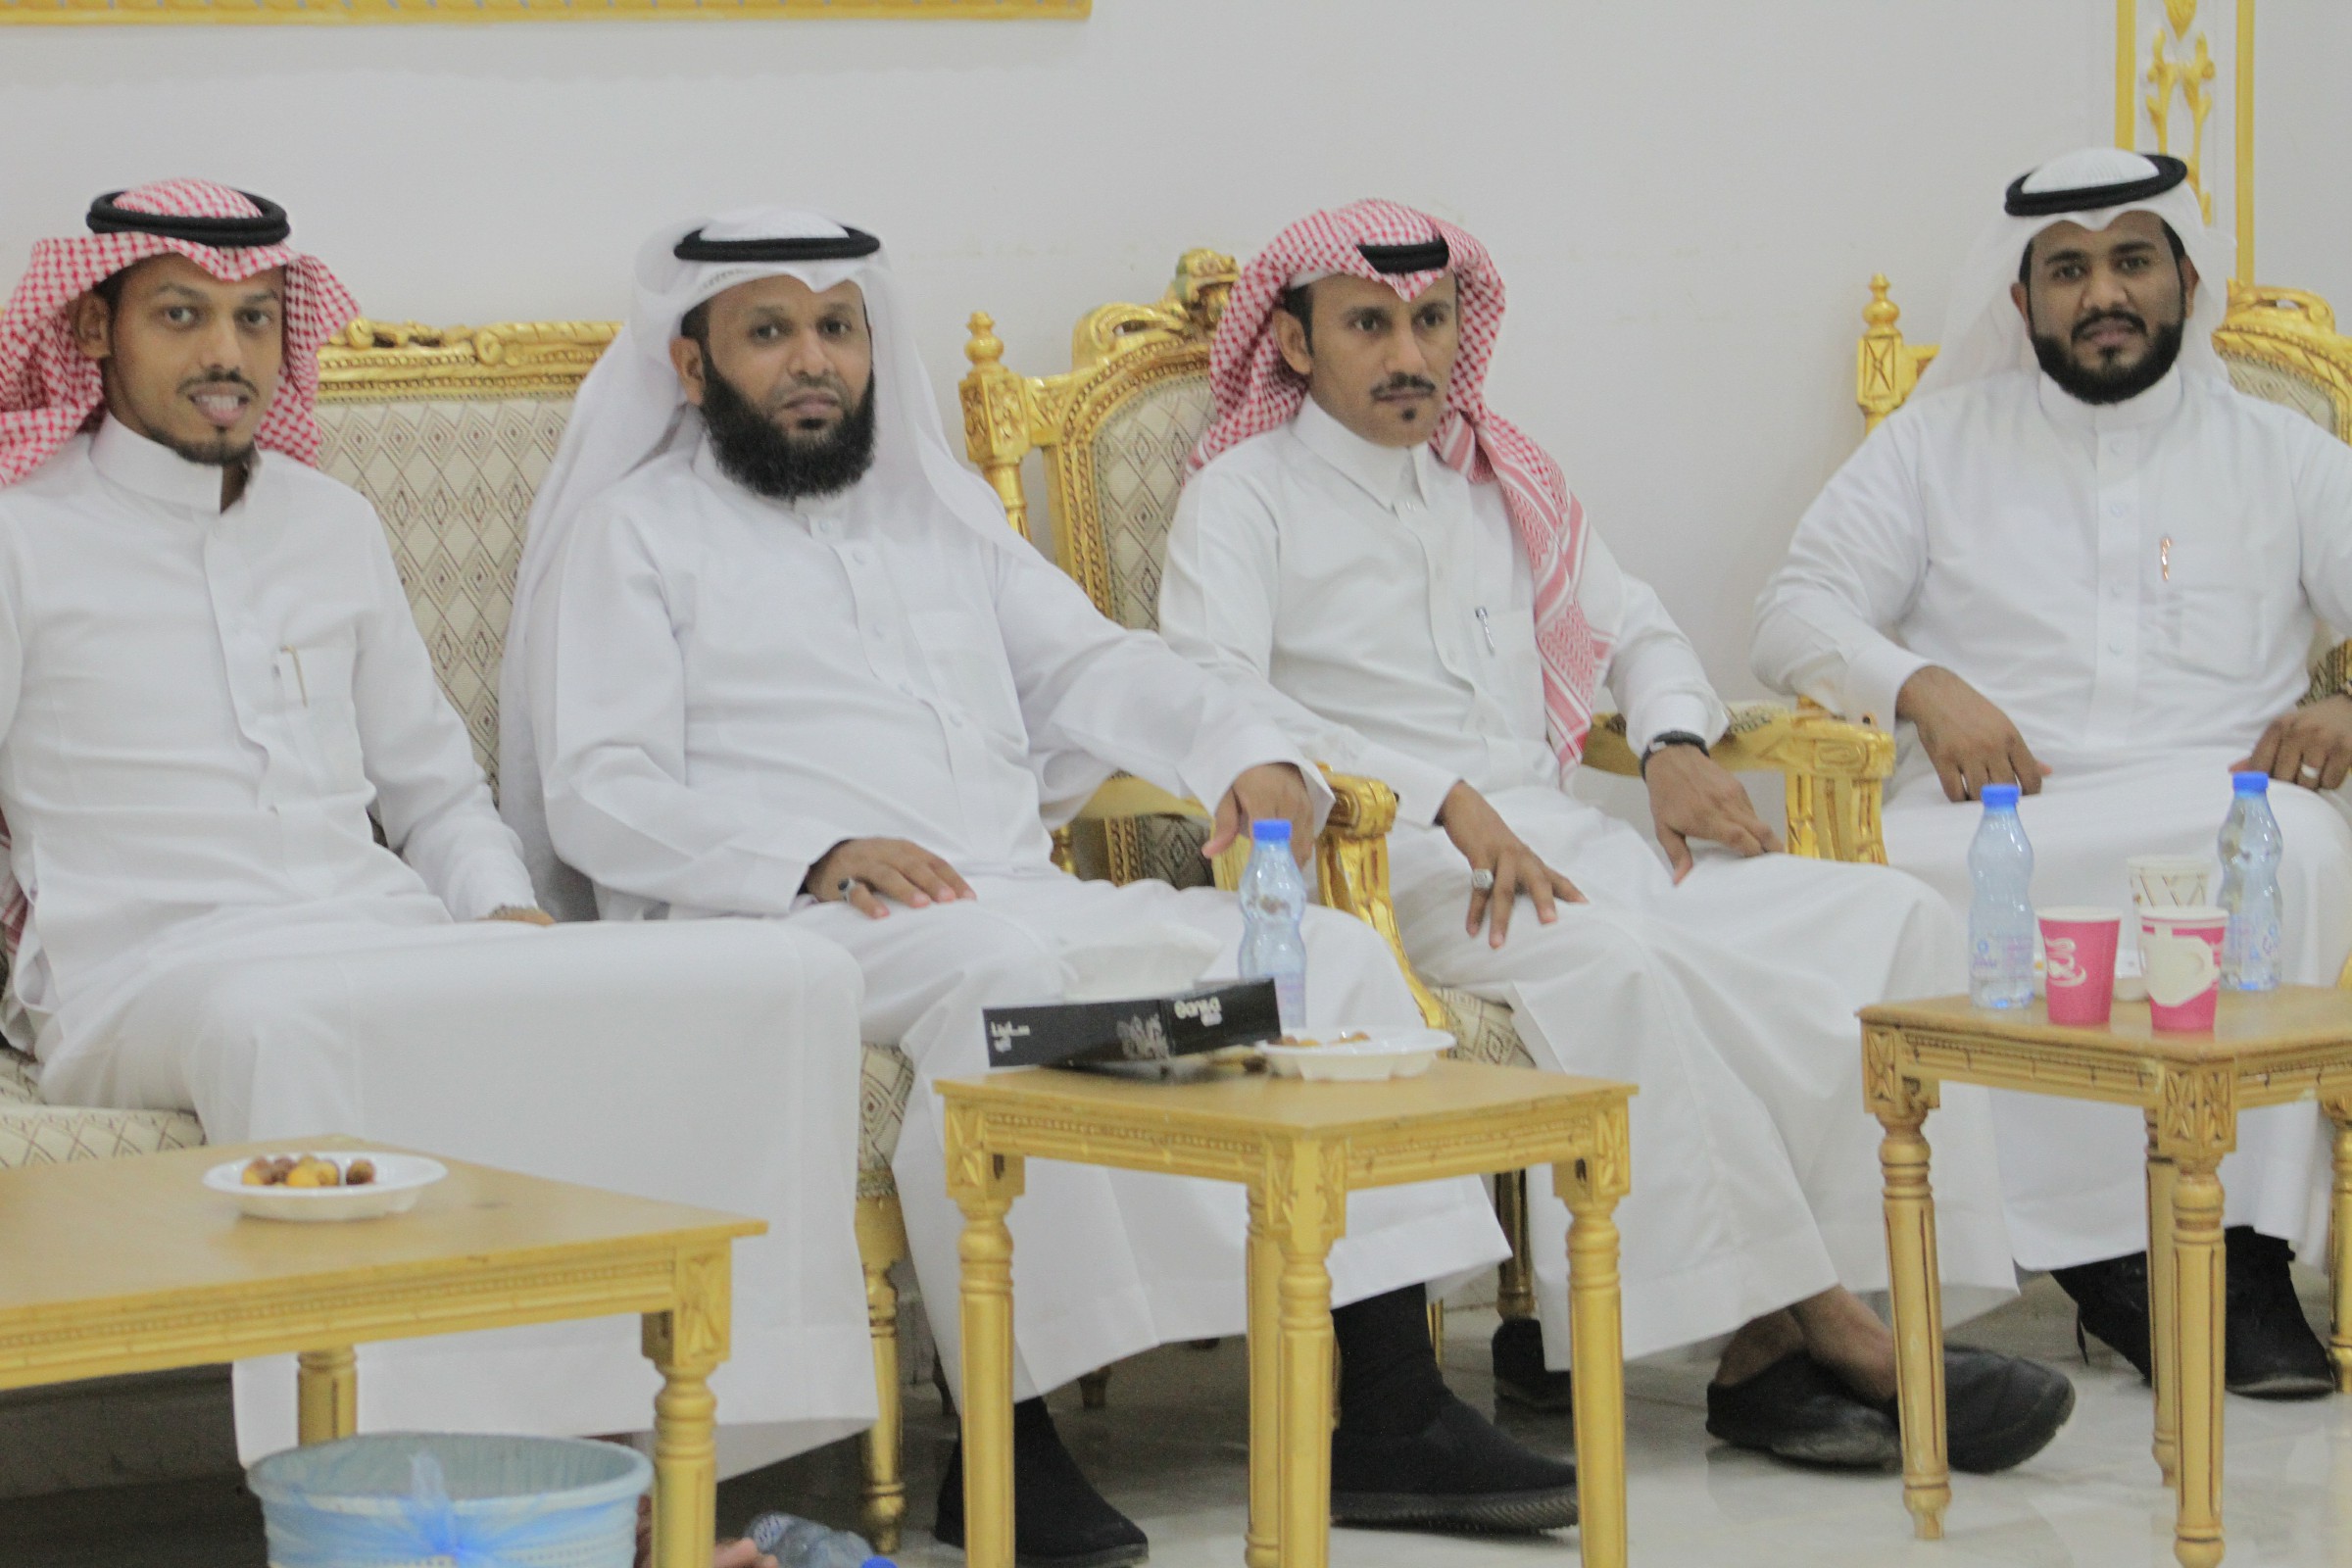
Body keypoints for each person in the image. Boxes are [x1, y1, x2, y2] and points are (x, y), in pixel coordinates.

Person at [509, 207, 1577, 1567]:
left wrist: (1245, 751)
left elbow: (1096, 666)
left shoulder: (939, 519)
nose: (813, 360)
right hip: (778, 923)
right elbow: (599, 789)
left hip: (1004, 891)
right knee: (1002, 990)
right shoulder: (635, 533)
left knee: (1331, 964)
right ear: (691, 364)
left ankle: (1388, 1410)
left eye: (835, 327)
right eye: (768, 332)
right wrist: (812, 854)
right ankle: (1006, 1451)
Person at [0, 182, 867, 1565]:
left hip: (374, 931)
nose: (226, 352)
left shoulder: (330, 523)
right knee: (289, 1019)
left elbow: (433, 791)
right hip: (146, 964)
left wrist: (506, 916)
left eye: (255, 320)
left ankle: (645, 1489)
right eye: (181, 316)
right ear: (95, 329)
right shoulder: (20, 532)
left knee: (783, 970)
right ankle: (413, 1516)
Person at [1161, 199, 2074, 1474]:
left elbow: (1636, 627)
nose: (1410, 355)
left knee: (1883, 922)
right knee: (1625, 971)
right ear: (1297, 345)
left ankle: (1809, 1342)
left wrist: (1673, 746)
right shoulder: (1241, 499)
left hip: (1560, 841)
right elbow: (1216, 698)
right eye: (1369, 324)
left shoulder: (1499, 481)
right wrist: (1439, 796)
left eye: (1432, 321)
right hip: (1382, 870)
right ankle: (1842, 1340)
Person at [1752, 146, 2352, 1398]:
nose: (2103, 294)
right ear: (2021, 300)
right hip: (1990, 816)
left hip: (2216, 800)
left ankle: (2238, 1253)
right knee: (1882, 895)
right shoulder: (1934, 443)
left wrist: (2349, 706)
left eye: (2132, 260)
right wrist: (1920, 685)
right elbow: (1794, 609)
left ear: (2188, 280)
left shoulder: (2283, 453)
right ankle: (2101, 1261)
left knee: (2298, 846)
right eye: (2068, 270)